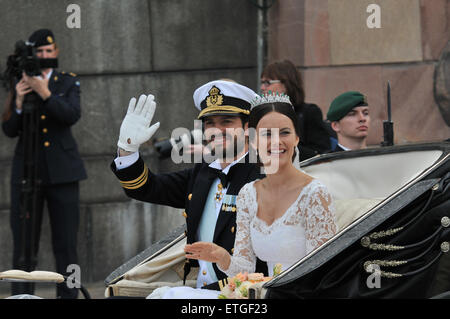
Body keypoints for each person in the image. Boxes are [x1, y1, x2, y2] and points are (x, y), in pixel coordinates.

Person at [111, 80, 267, 290]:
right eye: (210, 123)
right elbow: (145, 187)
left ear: (248, 127)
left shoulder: (262, 177)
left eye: (227, 122)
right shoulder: (203, 173)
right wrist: (127, 149)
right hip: (199, 289)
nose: (217, 130)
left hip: (240, 294)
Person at [184, 93, 338, 285]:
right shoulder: (248, 194)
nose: (276, 141)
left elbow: (324, 270)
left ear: (297, 138)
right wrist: (222, 257)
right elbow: (245, 267)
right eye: (267, 134)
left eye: (284, 132)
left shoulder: (314, 193)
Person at [1, 29, 86, 298]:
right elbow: (10, 130)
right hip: (26, 171)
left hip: (63, 172)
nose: (45, 56)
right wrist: (17, 100)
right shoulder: (20, 79)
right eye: (40, 52)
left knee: (67, 244)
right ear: (33, 55)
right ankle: (21, 295)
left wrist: (45, 93)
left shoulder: (67, 81)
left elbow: (71, 115)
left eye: (50, 51)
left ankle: (69, 296)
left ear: (56, 53)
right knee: (24, 243)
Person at [260, 59, 332, 160]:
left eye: (267, 83)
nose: (262, 87)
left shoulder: (308, 112)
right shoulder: (261, 115)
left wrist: (286, 145)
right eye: (262, 83)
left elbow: (321, 153)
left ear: (286, 84)